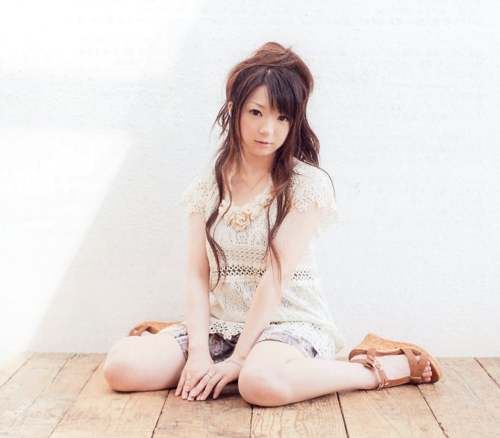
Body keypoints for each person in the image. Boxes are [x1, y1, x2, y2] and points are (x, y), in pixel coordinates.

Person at [103, 42, 441, 407]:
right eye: (256, 112)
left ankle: (375, 368)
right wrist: (198, 353)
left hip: (286, 324)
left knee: (259, 384)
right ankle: (192, 349)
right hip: (221, 326)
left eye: (283, 118)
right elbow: (197, 275)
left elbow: (275, 277)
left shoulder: (306, 185)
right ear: (233, 110)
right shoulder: (206, 188)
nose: (268, 129)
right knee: (121, 367)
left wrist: (239, 360)